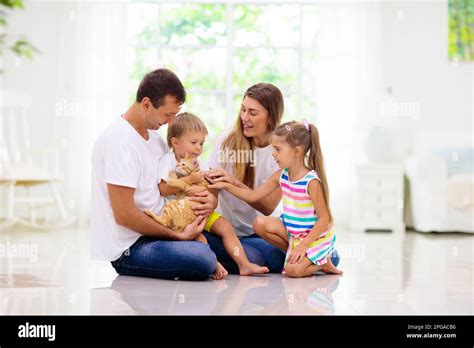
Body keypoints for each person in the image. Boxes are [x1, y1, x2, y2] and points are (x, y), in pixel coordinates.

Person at [91, 69, 218, 281]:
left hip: (165, 228)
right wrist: (178, 236)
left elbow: (172, 186)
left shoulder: (155, 138)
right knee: (203, 259)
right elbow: (124, 215)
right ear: (147, 104)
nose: (170, 123)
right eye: (168, 115)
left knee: (257, 251)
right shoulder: (119, 141)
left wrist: (206, 200)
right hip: (132, 246)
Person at [209, 120, 343, 278]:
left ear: (297, 151)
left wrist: (304, 245)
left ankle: (322, 263)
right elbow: (253, 196)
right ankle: (302, 256)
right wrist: (226, 183)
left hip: (313, 237)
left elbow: (324, 219)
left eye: (278, 149)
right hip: (294, 234)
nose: (273, 154)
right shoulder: (281, 175)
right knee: (260, 223)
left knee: (292, 271)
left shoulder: (311, 181)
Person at [157, 112, 269, 279]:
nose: (198, 148)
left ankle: (244, 264)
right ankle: (215, 264)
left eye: (201, 143)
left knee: (225, 227)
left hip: (201, 211)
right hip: (181, 215)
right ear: (175, 142)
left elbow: (211, 193)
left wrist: (212, 187)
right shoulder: (169, 161)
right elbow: (163, 189)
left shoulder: (201, 163)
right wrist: (190, 179)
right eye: (193, 142)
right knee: (199, 238)